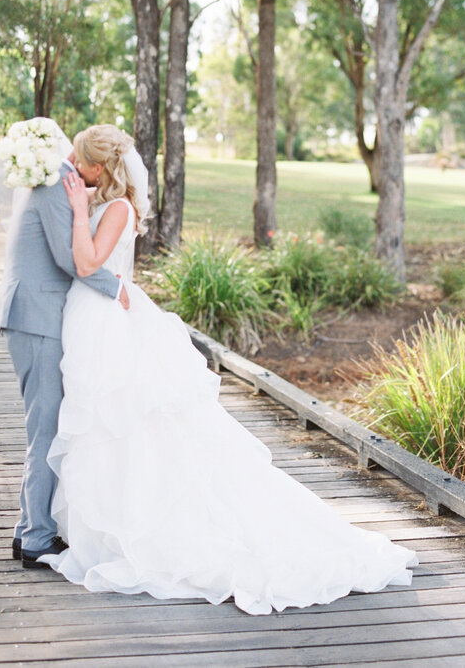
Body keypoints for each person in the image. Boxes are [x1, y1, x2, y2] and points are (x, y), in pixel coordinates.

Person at [38, 123, 418, 614]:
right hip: (94, 320)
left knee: (124, 422)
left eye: (81, 160)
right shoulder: (105, 203)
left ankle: (139, 528)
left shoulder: (118, 208)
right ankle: (104, 526)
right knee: (109, 424)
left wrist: (73, 212)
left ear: (100, 167)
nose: (75, 167)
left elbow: (88, 265)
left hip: (108, 324)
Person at [0, 126, 130, 570]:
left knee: (45, 424)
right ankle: (35, 538)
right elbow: (72, 260)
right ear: (92, 164)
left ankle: (29, 528)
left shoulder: (58, 180)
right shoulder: (57, 185)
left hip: (38, 315)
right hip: (36, 317)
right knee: (45, 428)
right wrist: (116, 289)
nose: (102, 175)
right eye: (103, 167)